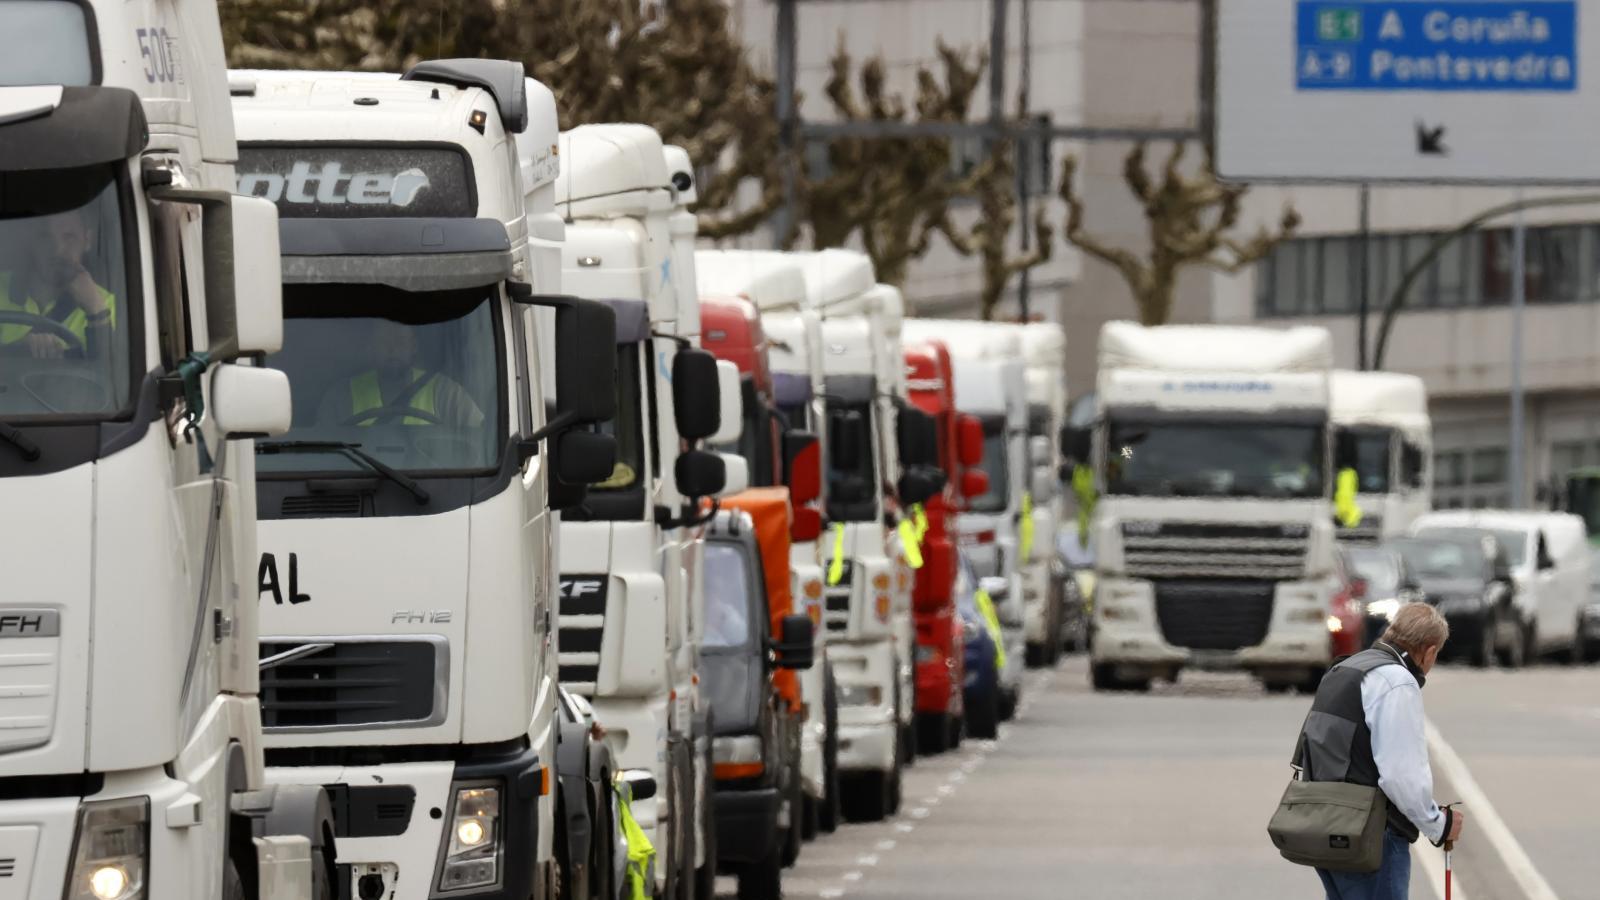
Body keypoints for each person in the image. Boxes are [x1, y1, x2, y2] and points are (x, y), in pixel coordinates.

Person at [1299, 603, 1466, 900]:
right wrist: (1438, 825)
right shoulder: (1396, 681)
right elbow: (1400, 775)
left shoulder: (1345, 668)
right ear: (1428, 652)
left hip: (1325, 825)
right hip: (1371, 836)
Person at [317, 318, 483, 427]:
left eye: (400, 341)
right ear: (372, 347)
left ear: (414, 346)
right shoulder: (341, 397)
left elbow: (481, 435)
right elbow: (323, 454)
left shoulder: (444, 393)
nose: (393, 349)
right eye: (384, 341)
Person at [0, 209, 116, 358]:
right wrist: (17, 350)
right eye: (45, 236)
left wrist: (95, 310)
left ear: (87, 240)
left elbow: (115, 369)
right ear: (31, 241)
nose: (57, 249)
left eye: (69, 237)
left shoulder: (108, 306)